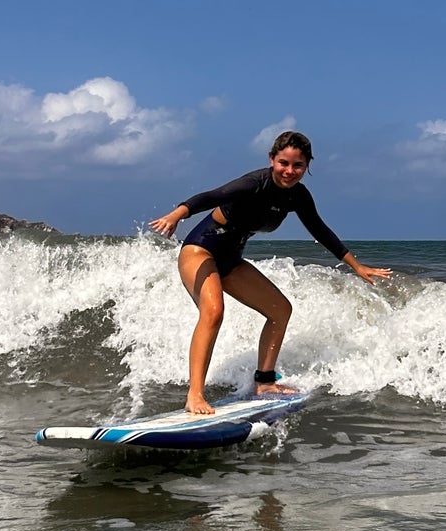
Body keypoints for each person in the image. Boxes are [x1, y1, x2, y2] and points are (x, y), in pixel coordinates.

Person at [149, 130, 391, 415]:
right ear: (272, 159)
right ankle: (195, 395)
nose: (289, 171)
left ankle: (264, 382)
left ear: (307, 165)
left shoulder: (298, 197)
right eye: (283, 163)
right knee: (213, 312)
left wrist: (356, 265)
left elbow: (320, 230)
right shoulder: (254, 183)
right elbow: (210, 196)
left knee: (280, 310)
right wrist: (177, 214)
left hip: (231, 260)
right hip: (200, 251)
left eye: (297, 165)